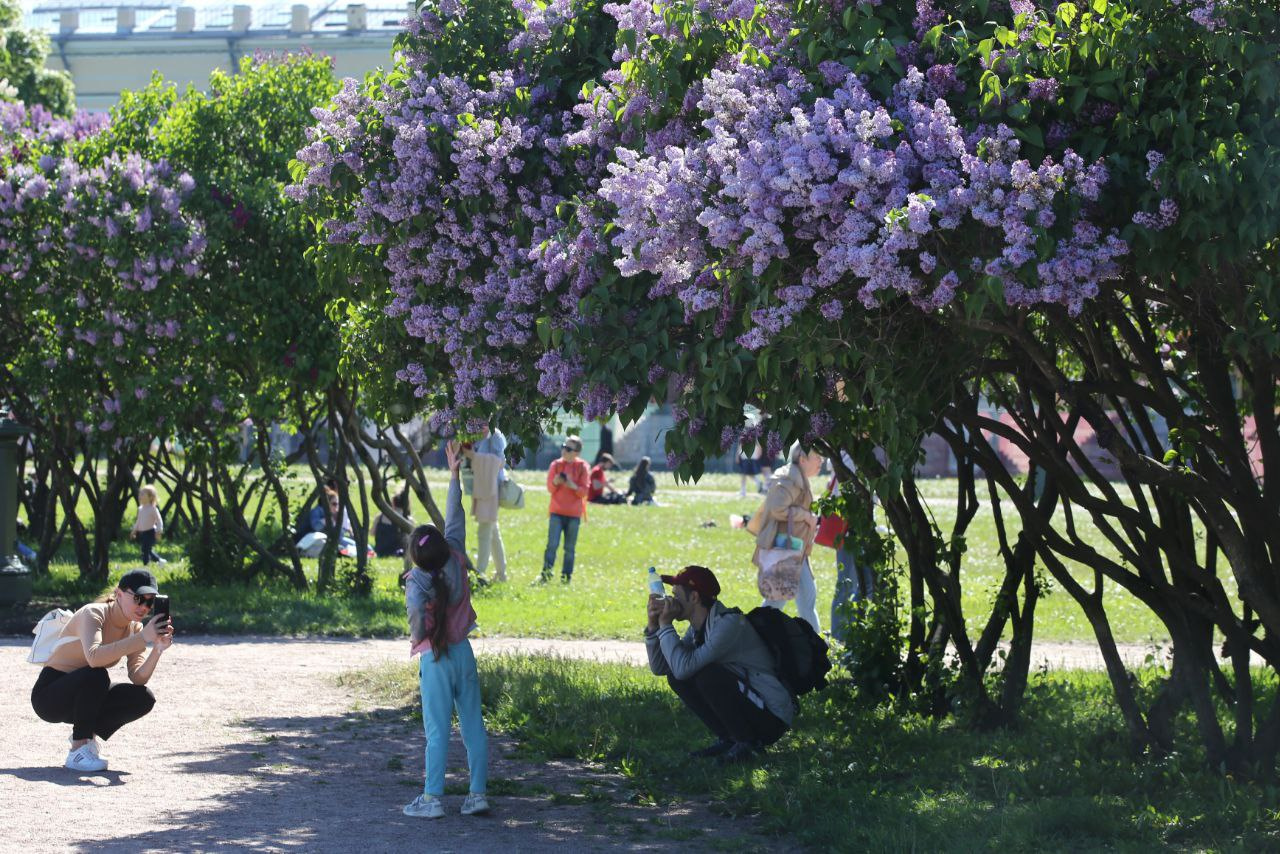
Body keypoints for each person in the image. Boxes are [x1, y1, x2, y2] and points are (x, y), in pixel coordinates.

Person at [402, 441, 489, 819]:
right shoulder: (455, 552)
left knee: (436, 731)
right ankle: (478, 794)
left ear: (417, 558)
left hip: (434, 660)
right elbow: (455, 517)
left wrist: (418, 638)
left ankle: (433, 799)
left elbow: (418, 623)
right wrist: (454, 475)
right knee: (473, 727)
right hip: (463, 653)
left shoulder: (416, 580)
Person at [644, 566, 794, 763]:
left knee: (708, 675)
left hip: (771, 716)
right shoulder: (699, 627)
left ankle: (746, 743)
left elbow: (683, 669)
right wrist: (653, 625)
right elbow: (662, 668)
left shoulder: (727, 624)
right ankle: (730, 739)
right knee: (679, 676)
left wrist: (665, 625)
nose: (670, 601)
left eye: (676, 595)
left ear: (695, 597)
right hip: (754, 705)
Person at [30, 569, 174, 772]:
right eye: (139, 598)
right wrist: (142, 639)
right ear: (119, 594)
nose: (144, 607)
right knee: (97, 674)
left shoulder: (135, 628)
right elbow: (94, 657)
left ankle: (87, 738)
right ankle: (78, 750)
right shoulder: (94, 613)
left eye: (150, 602)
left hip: (85, 694)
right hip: (49, 696)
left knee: (143, 697)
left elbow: (138, 677)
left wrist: (157, 649)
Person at [750, 442, 825, 634]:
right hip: (785, 552)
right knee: (776, 602)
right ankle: (755, 637)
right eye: (817, 457)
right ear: (802, 459)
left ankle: (817, 647)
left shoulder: (796, 477)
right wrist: (806, 516)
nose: (821, 461)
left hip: (795, 551)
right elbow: (777, 508)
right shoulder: (787, 478)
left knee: (804, 600)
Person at [542, 435, 590, 583]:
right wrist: (556, 482)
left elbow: (584, 492)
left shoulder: (582, 467)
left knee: (569, 549)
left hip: (574, 515)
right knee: (552, 545)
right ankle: (546, 575)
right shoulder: (555, 465)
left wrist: (572, 485)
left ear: (577, 453)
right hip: (556, 512)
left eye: (568, 449)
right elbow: (550, 489)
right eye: (563, 446)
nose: (564, 450)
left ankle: (566, 577)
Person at [470, 426, 509, 582]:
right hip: (484, 486)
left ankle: (480, 573)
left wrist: (474, 456)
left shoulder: (495, 437)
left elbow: (500, 462)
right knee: (493, 533)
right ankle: (501, 573)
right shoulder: (478, 436)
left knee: (485, 531)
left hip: (492, 488)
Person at [128, 484, 165, 565]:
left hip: (150, 532)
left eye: (142, 494)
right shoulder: (140, 509)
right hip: (142, 533)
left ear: (150, 497)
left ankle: (146, 564)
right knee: (146, 549)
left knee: (145, 550)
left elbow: (159, 520)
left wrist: (159, 530)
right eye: (140, 494)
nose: (140, 496)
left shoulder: (152, 509)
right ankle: (159, 560)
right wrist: (134, 531)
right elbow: (138, 521)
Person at [372, 491, 414, 561]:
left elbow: (372, 533)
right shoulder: (408, 520)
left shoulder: (380, 516)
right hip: (397, 553)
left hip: (380, 552)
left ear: (393, 502)